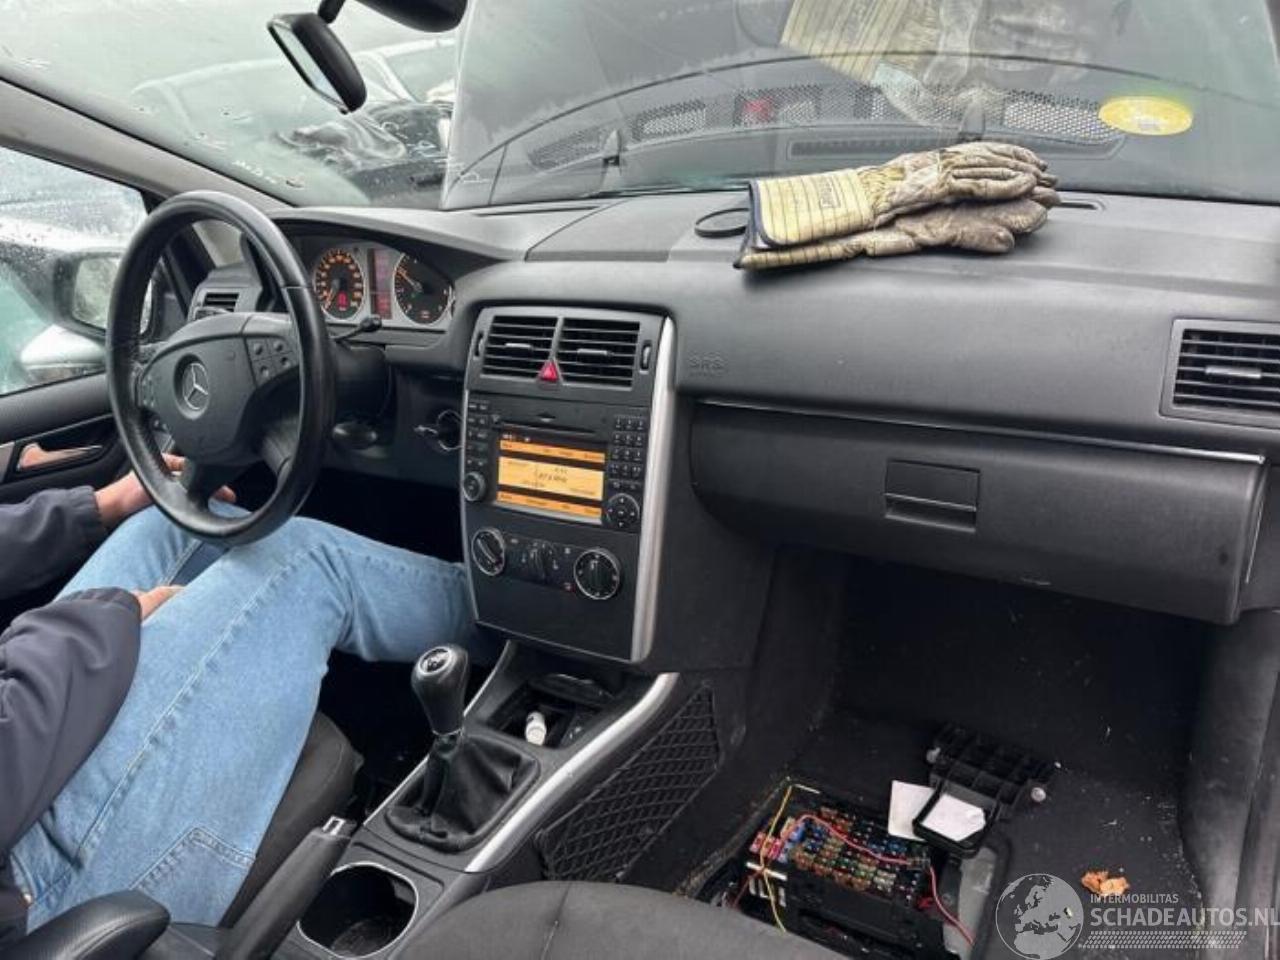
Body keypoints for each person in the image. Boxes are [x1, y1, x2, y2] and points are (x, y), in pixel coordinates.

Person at [0, 462, 477, 943]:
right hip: (43, 905)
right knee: (308, 563)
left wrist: (94, 509)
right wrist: (95, 626)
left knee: (172, 523)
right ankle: (512, 618)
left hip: (21, 779)